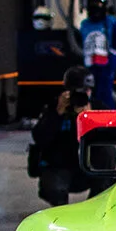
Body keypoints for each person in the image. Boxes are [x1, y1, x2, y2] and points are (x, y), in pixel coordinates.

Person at [30, 66, 93, 206]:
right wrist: (57, 113)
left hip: (89, 168)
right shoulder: (54, 107)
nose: (81, 96)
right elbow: (39, 138)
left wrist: (89, 119)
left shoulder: (97, 107)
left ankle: (94, 210)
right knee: (54, 187)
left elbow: (109, 142)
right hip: (60, 167)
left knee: (108, 177)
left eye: (86, 91)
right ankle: (60, 209)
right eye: (76, 92)